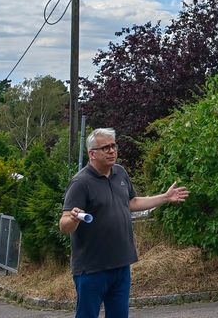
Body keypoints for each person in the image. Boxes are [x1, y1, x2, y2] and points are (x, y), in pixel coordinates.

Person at [60, 128, 188, 318]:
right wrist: (72, 219)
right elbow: (64, 225)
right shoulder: (80, 183)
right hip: (91, 269)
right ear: (92, 154)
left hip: (121, 265)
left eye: (113, 146)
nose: (112, 151)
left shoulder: (120, 173)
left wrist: (165, 197)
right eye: (105, 148)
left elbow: (132, 203)